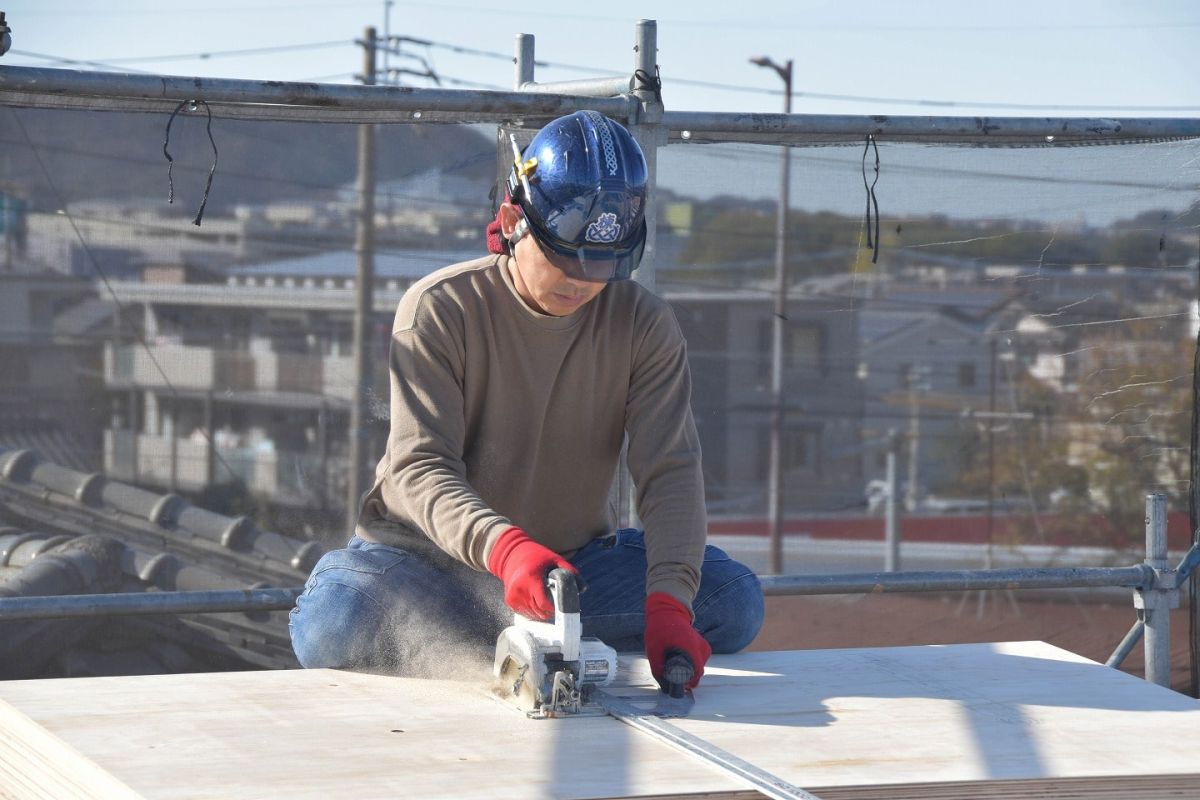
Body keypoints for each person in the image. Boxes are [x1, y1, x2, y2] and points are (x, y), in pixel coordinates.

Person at [289, 110, 764, 691]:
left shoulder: (644, 324)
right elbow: (419, 467)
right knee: (335, 624)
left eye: (604, 267)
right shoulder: (441, 308)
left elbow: (670, 472)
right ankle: (512, 632)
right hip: (424, 564)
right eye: (565, 259)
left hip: (570, 569)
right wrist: (507, 550)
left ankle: (513, 635)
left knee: (732, 600)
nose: (584, 282)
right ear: (514, 219)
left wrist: (669, 601)